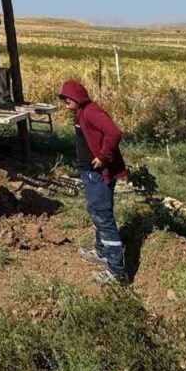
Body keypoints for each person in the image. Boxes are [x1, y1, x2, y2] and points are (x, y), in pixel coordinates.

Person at [59, 80, 130, 285]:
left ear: (77, 97)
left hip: (98, 173)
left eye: (67, 98)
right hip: (89, 172)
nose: (64, 103)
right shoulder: (81, 112)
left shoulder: (91, 112)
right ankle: (101, 252)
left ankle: (117, 272)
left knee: (103, 217)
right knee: (96, 212)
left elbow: (114, 133)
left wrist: (104, 157)